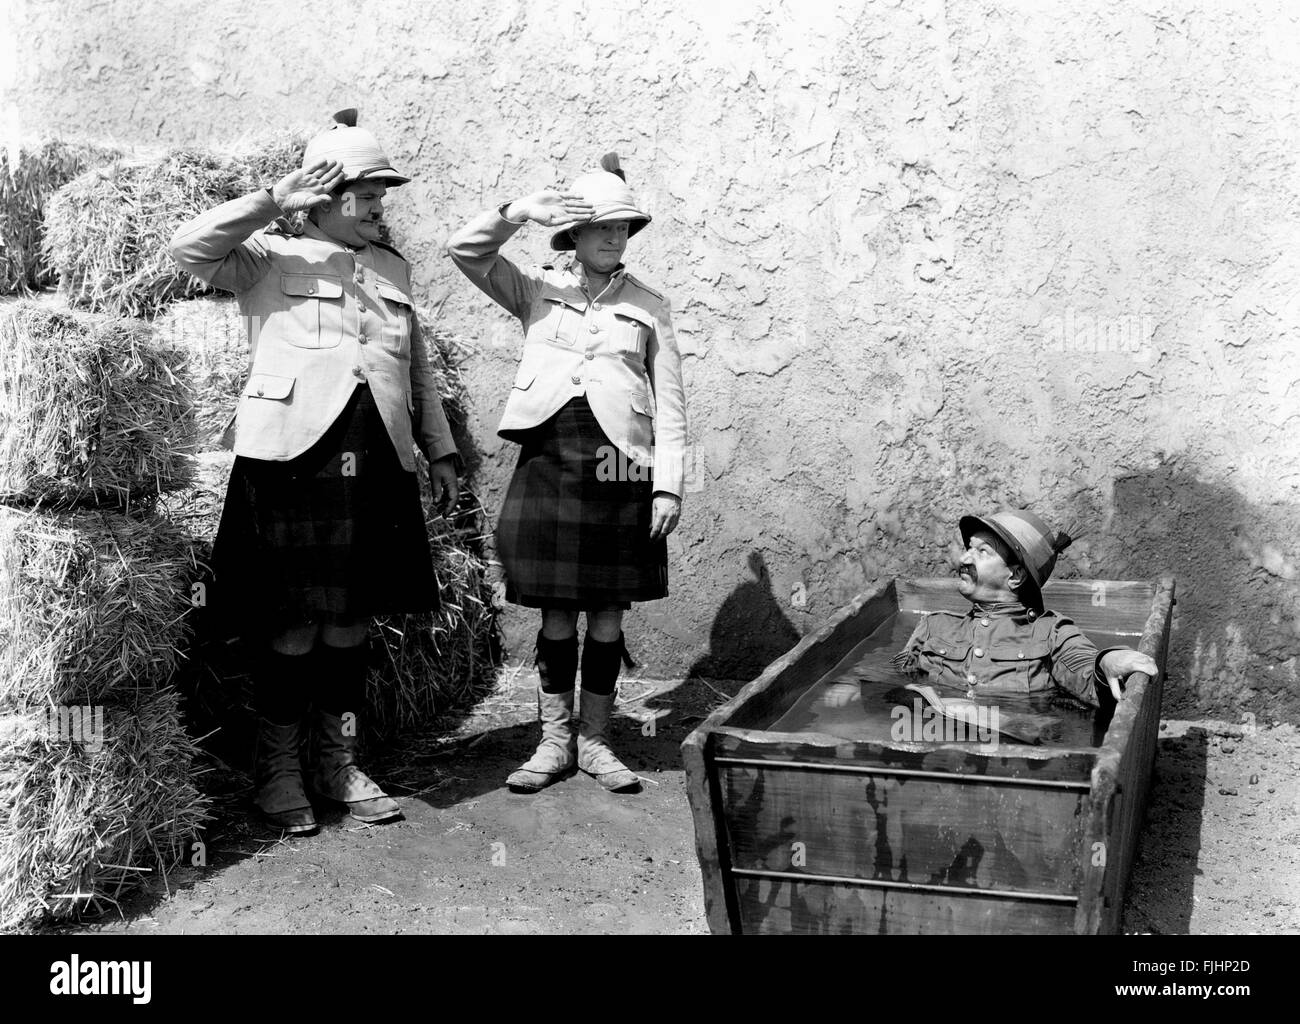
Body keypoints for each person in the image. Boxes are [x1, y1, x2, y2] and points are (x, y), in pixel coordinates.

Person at [169, 110, 461, 834]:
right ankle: (278, 774)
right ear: (323, 199)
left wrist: (441, 447)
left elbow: (414, 365)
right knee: (290, 627)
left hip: (377, 459)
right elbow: (186, 248)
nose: (378, 205)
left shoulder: (392, 269)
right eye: (366, 193)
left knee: (351, 623)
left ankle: (339, 763)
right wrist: (276, 198)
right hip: (293, 459)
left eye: (382, 194)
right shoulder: (266, 256)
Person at [446, 153, 687, 793]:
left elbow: (673, 408)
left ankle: (597, 742)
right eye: (601, 227)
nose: (614, 237)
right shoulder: (534, 290)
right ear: (572, 236)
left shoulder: (650, 307)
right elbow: (464, 252)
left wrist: (667, 484)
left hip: (619, 470)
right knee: (556, 614)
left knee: (608, 613)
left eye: (623, 227)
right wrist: (519, 209)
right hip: (549, 463)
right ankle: (553, 742)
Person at [892, 509, 1158, 705]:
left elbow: (1087, 669)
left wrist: (1108, 660)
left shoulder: (1051, 633)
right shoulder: (932, 626)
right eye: (968, 549)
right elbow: (893, 689)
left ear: (1016, 576)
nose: (963, 558)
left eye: (982, 551)